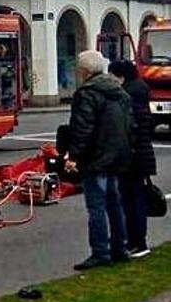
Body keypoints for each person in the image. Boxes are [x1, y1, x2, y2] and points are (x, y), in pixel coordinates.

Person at [66, 50, 133, 271]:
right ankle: (120, 248)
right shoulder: (119, 91)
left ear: (84, 72)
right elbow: (129, 126)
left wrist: (74, 156)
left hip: (96, 158)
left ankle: (100, 252)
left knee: (96, 206)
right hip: (116, 156)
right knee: (114, 203)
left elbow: (82, 129)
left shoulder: (87, 93)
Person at [109, 60, 156, 258]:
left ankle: (138, 242)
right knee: (133, 198)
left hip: (133, 156)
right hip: (140, 155)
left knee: (132, 200)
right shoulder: (139, 90)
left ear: (121, 76)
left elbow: (129, 127)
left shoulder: (128, 95)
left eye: (112, 75)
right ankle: (136, 240)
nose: (110, 79)